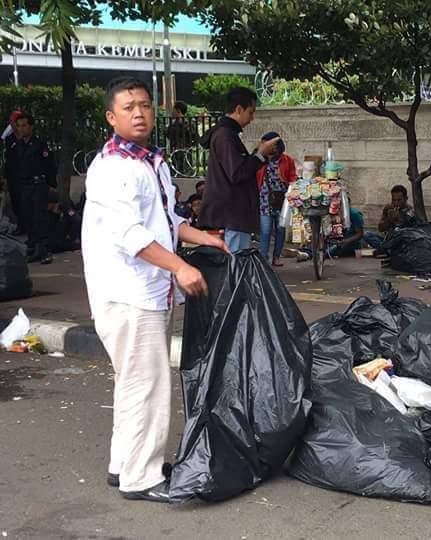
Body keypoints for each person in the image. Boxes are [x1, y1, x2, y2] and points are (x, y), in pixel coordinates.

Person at [81, 77, 229, 503]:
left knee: (133, 382)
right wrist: (180, 266)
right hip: (127, 294)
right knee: (146, 384)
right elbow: (130, 234)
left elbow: (164, 222)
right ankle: (140, 478)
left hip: (147, 291)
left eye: (144, 105)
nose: (139, 113)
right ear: (112, 117)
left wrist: (202, 238)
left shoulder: (151, 162)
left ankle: (122, 465)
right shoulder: (112, 168)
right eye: (128, 107)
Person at [198, 87, 279, 252]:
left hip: (234, 215)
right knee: (235, 266)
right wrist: (259, 155)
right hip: (232, 216)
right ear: (239, 109)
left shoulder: (227, 135)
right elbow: (237, 173)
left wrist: (258, 154)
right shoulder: (225, 136)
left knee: (237, 265)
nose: (252, 118)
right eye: (251, 112)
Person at [4, 112, 56, 264]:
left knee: (40, 218)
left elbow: (49, 165)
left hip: (38, 185)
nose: (21, 129)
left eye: (24, 125)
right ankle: (33, 248)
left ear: (30, 127)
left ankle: (44, 250)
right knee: (27, 218)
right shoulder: (16, 145)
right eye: (19, 126)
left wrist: (51, 185)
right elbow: (13, 166)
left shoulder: (40, 145)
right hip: (24, 186)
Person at [256, 131, 297, 266]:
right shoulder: (260, 159)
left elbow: (292, 177)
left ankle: (276, 257)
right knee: (266, 230)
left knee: (280, 229)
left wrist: (291, 185)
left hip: (282, 199)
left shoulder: (287, 160)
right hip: (264, 198)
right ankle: (263, 258)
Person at [363, 184, 416, 249]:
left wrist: (398, 219)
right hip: (388, 239)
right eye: (393, 200)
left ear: (406, 198)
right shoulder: (388, 208)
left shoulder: (411, 211)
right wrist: (389, 219)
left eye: (399, 200)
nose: (396, 203)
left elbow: (411, 233)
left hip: (402, 242)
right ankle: (387, 249)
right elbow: (380, 229)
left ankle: (387, 250)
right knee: (367, 234)